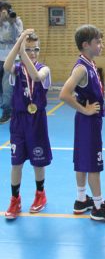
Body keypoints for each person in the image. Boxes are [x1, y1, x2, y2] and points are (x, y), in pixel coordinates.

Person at [59, 24, 105, 223]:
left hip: (87, 122)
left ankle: (81, 200)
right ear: (86, 45)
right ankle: (98, 206)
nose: (101, 45)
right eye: (98, 42)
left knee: (82, 160)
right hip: (88, 121)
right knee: (94, 164)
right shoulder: (81, 68)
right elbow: (64, 94)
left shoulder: (89, 63)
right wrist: (85, 109)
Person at [3, 29, 52, 219]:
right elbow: (7, 66)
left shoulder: (44, 68)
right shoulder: (16, 70)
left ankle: (40, 194)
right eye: (29, 50)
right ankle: (15, 199)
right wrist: (19, 42)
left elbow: (37, 77)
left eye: (36, 49)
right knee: (16, 162)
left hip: (36, 120)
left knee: (38, 161)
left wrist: (23, 53)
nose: (33, 53)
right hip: (18, 120)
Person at [0, 0, 23, 123]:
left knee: (7, 86)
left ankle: (7, 112)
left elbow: (17, 38)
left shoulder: (16, 20)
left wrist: (12, 23)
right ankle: (7, 109)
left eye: (6, 9)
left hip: (11, 58)